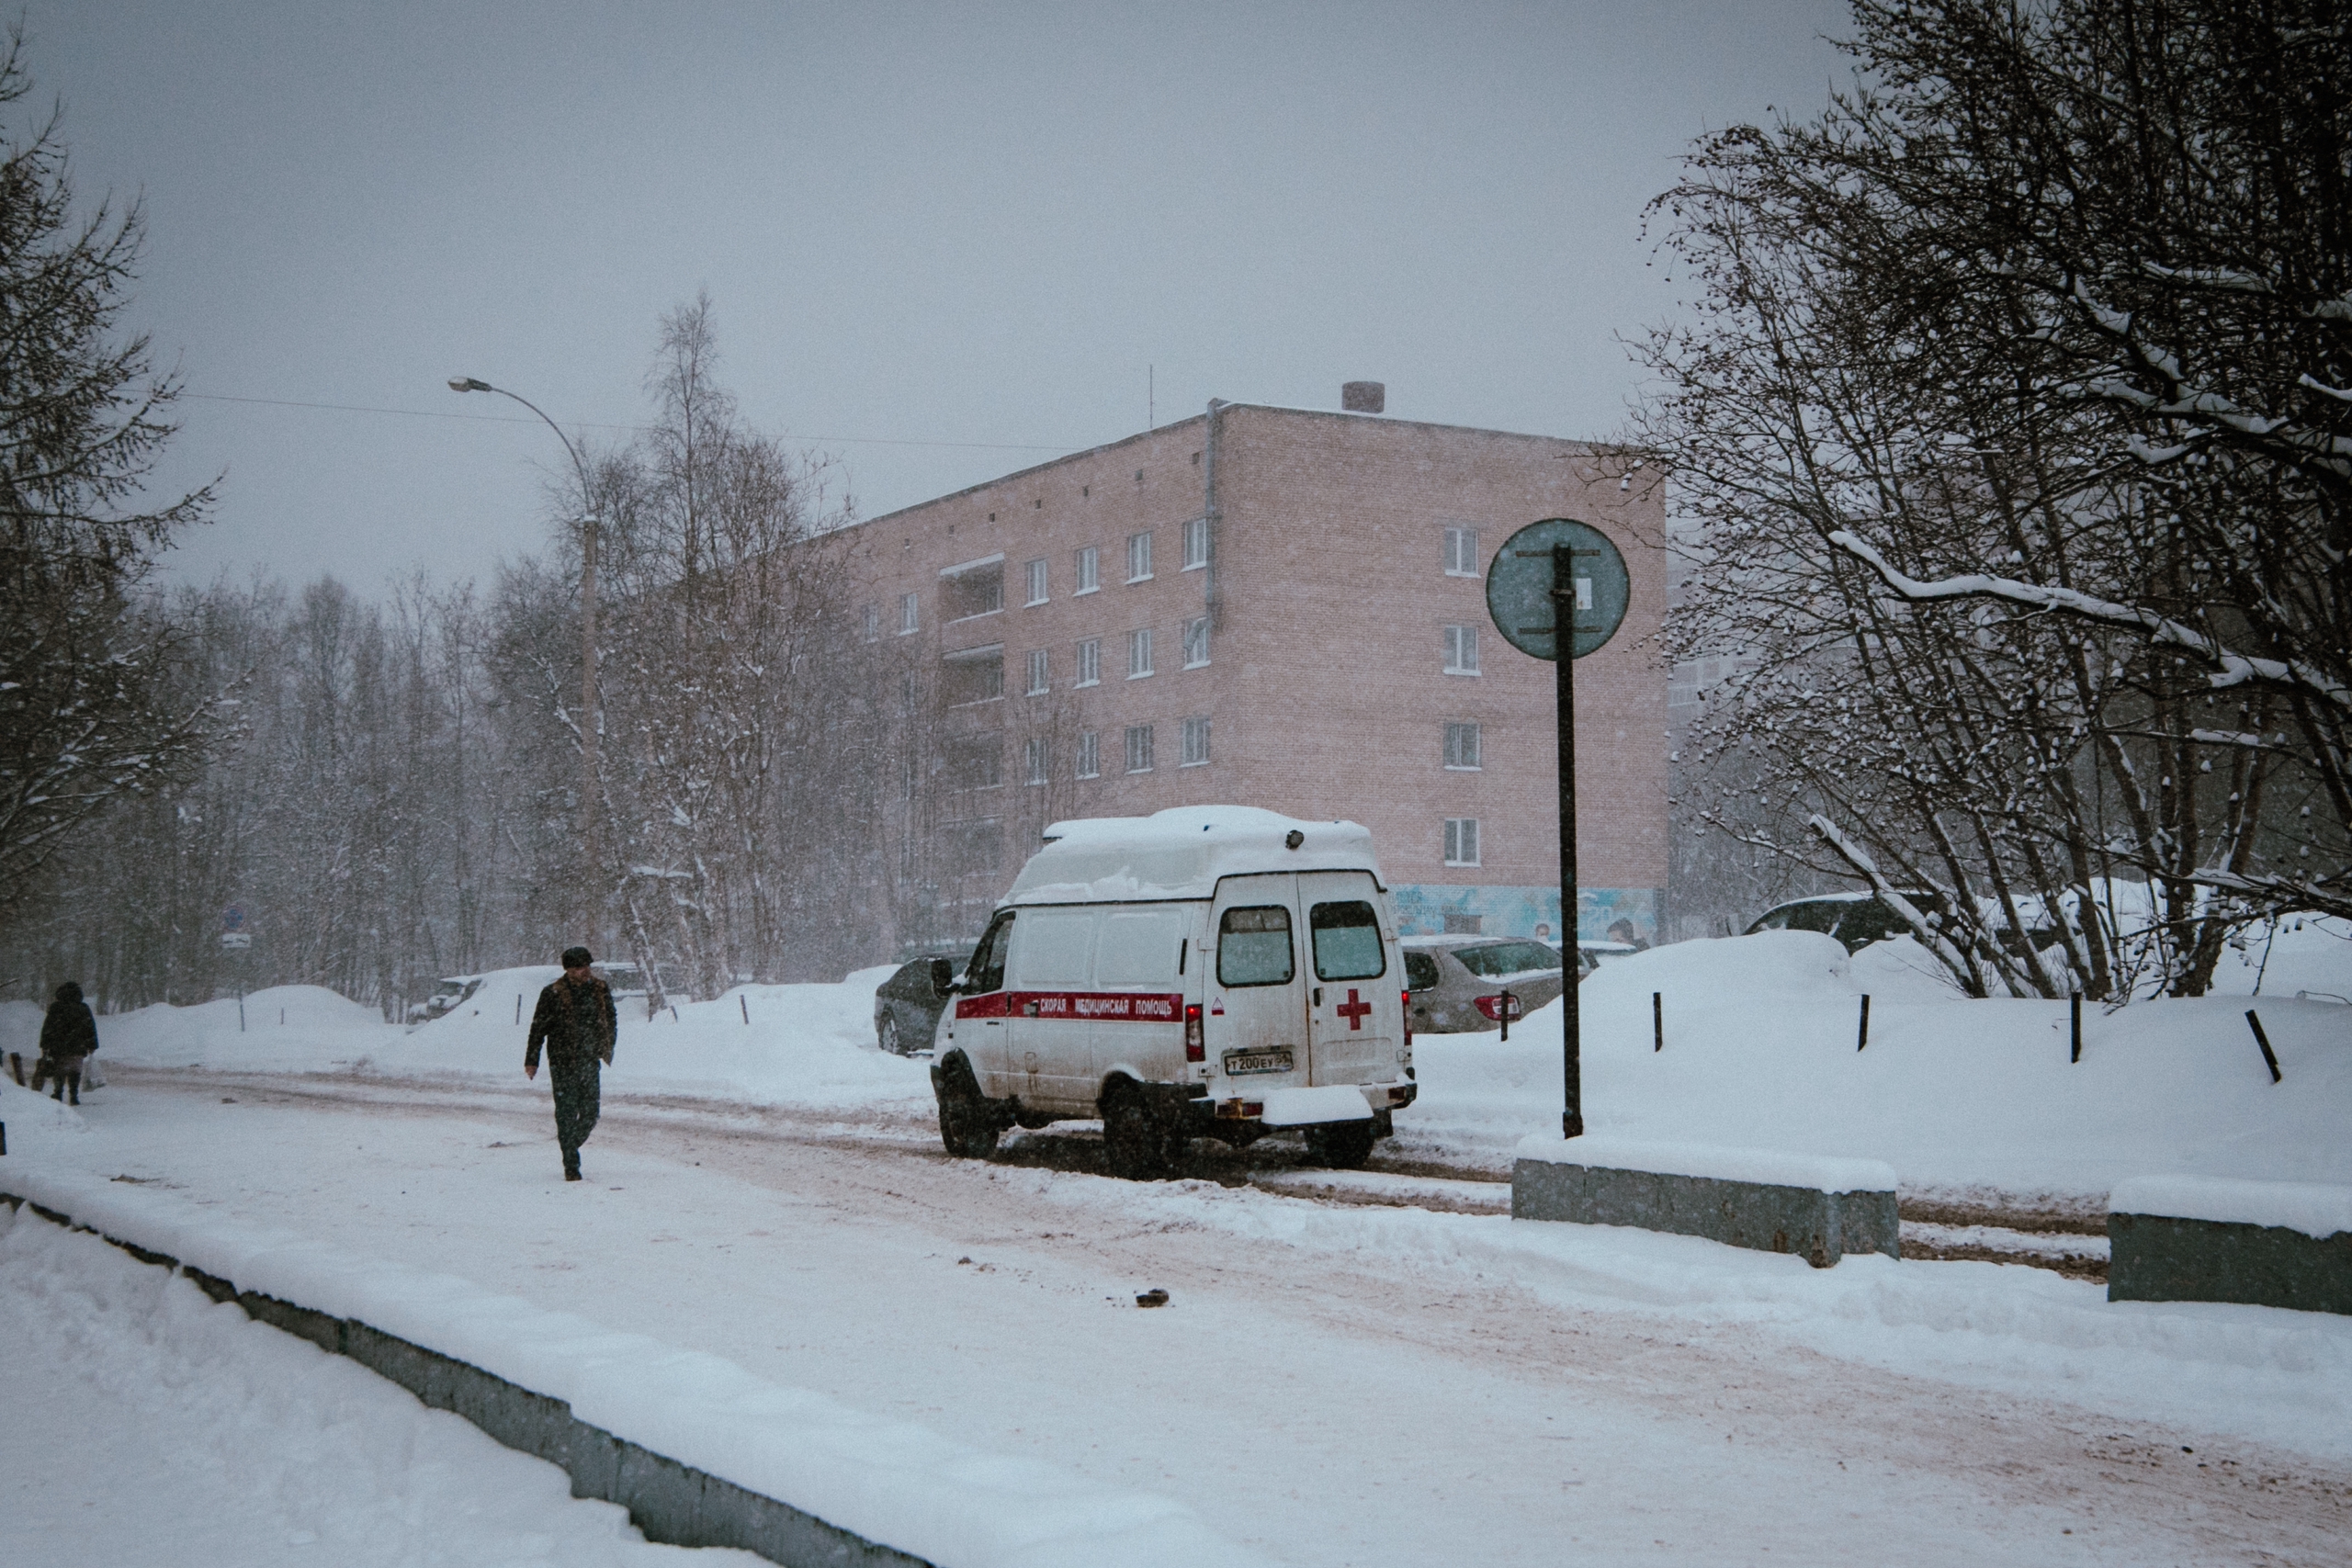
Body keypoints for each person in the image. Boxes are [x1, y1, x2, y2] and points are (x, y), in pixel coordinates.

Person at [526, 946, 616, 1181]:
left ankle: (569, 1144)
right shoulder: (552, 993)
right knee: (566, 1113)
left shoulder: (599, 990)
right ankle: (571, 1165)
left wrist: (606, 1045)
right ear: (568, 970)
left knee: (590, 1114)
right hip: (562, 1062)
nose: (583, 971)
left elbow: (611, 1019)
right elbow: (538, 1028)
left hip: (588, 1060)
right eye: (578, 968)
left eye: (586, 966)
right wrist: (531, 1060)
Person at [36, 981, 99, 1105]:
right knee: (75, 1070)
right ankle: (73, 1095)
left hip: (59, 1046)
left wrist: (45, 1045)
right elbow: (90, 1027)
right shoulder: (83, 1008)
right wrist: (92, 1044)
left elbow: (48, 1027)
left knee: (59, 1070)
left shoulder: (56, 1008)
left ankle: (58, 1093)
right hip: (78, 1046)